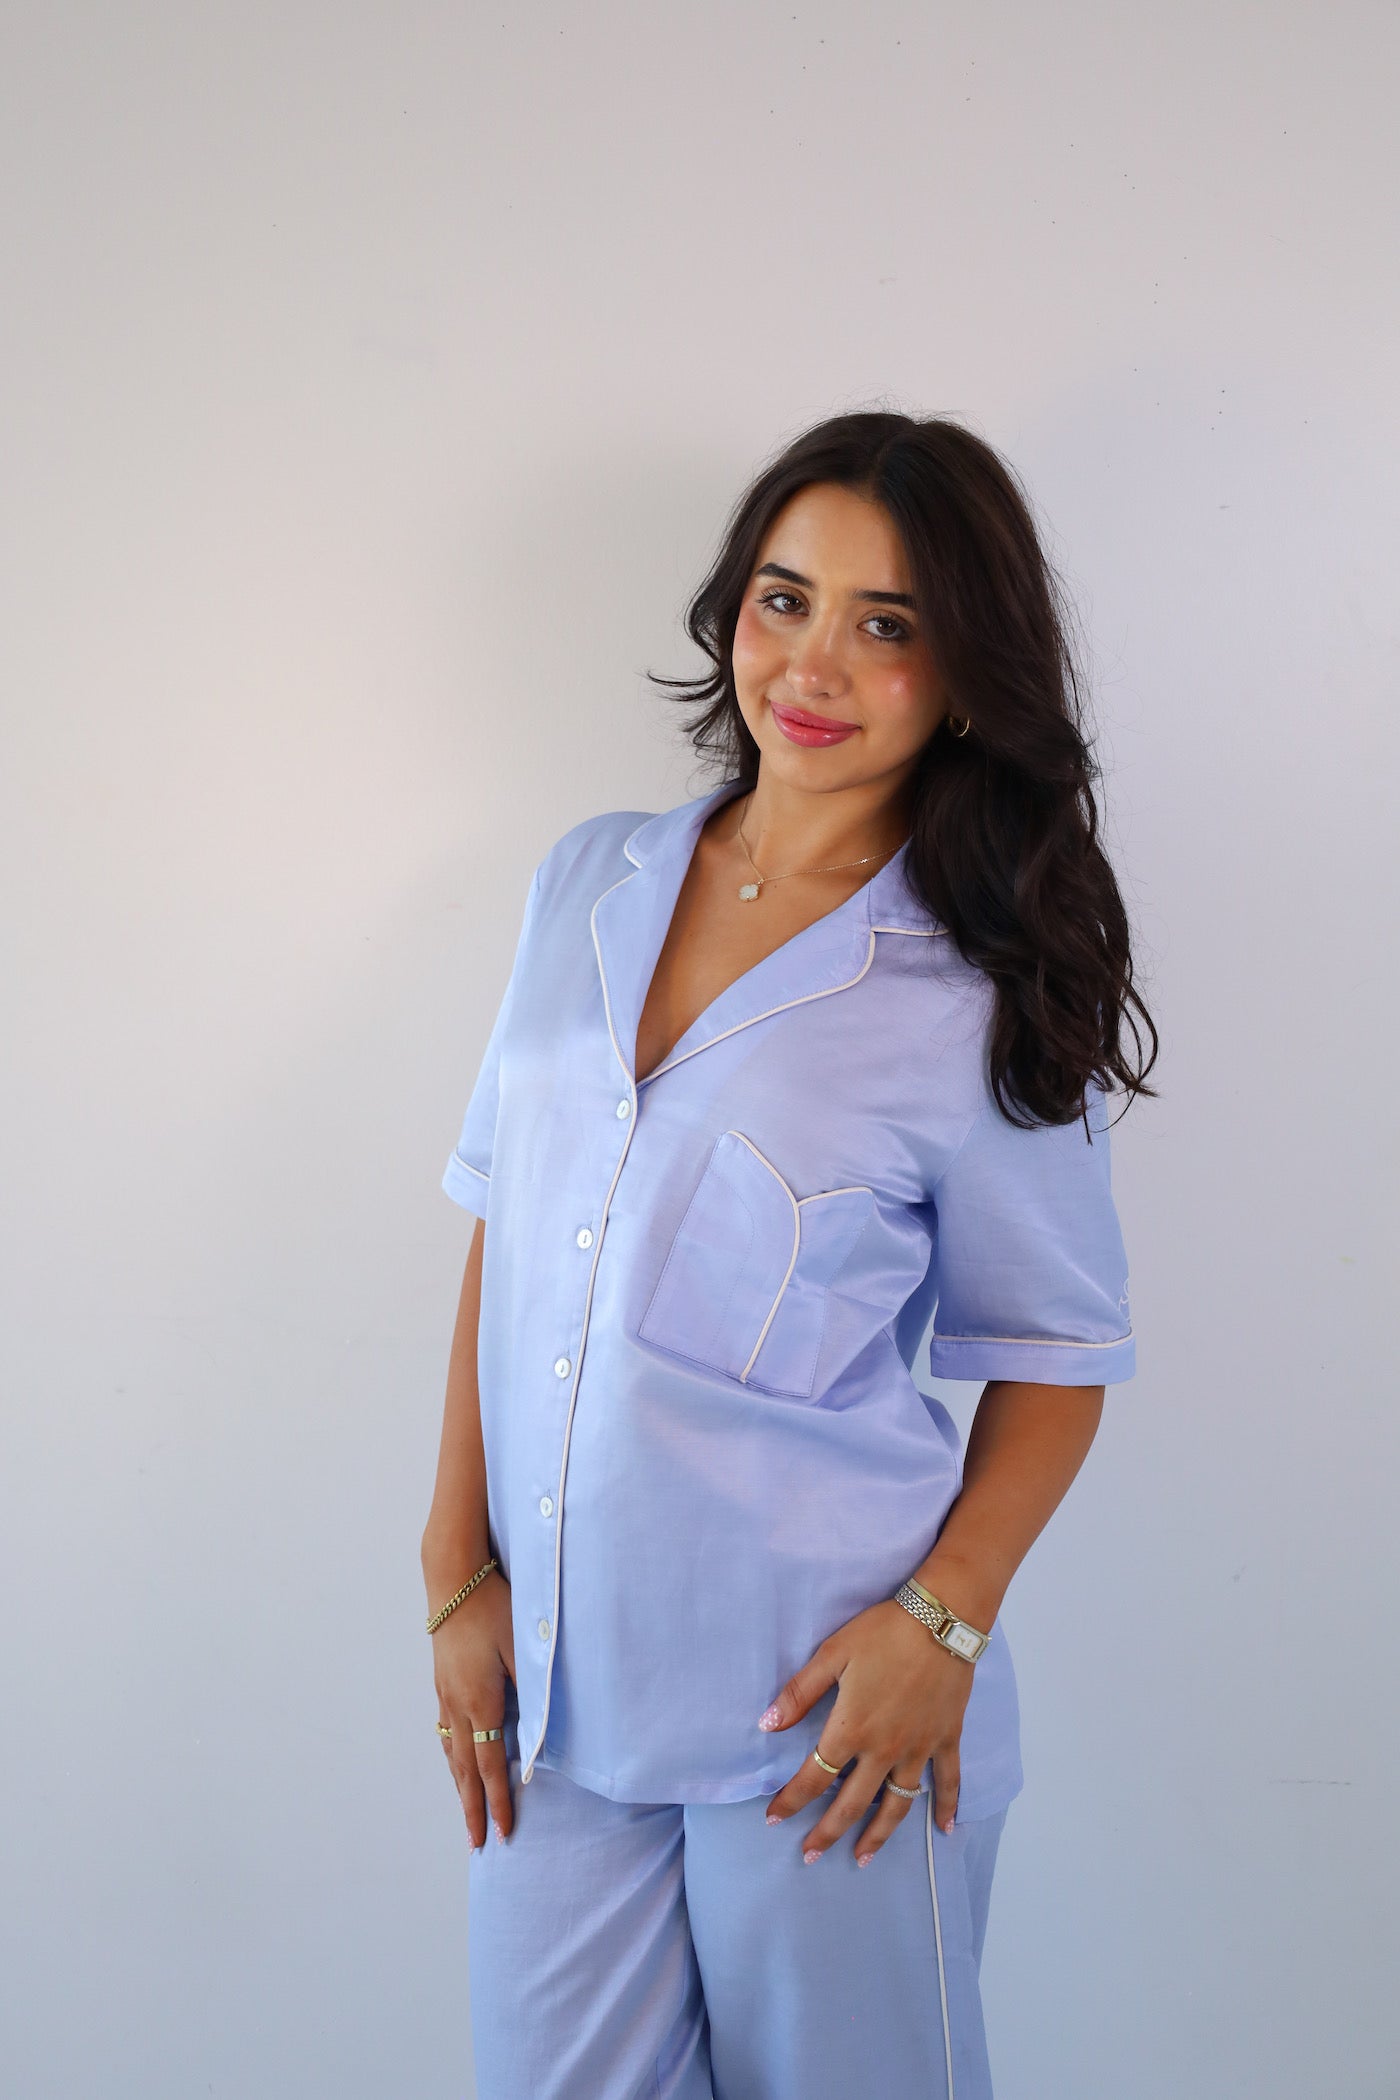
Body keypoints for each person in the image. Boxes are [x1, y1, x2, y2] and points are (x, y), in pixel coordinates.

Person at [420, 410, 1157, 2100]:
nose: (814, 664)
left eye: (887, 624)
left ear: (961, 676)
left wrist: (939, 1630)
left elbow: (1056, 1360)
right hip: (556, 1702)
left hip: (829, 1719)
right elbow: (508, 1226)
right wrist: (454, 1572)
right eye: (784, 598)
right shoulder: (588, 880)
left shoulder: (978, 989)